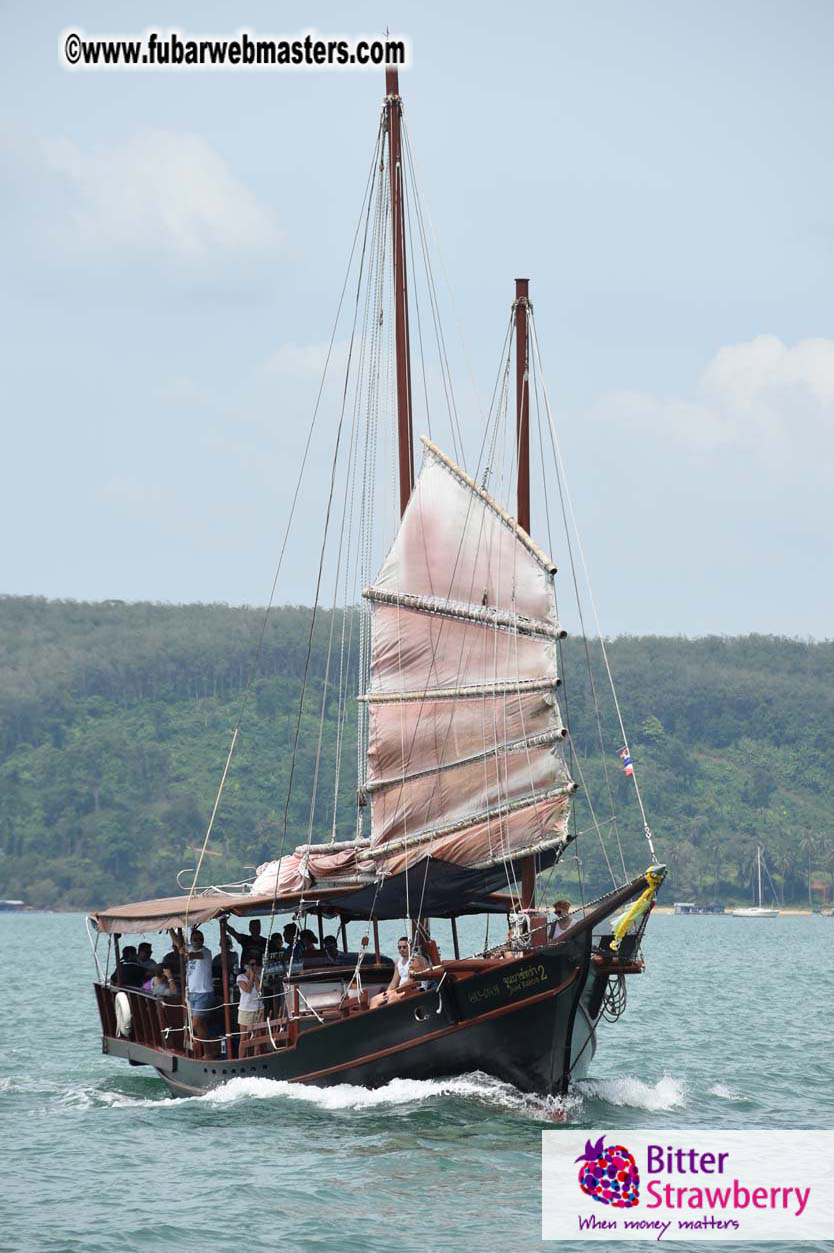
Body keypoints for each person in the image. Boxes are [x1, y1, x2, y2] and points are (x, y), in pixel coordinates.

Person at [169, 926, 216, 1054]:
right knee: (199, 1025)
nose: (198, 941)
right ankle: (202, 1051)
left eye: (200, 939)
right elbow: (178, 944)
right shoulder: (189, 948)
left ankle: (208, 1053)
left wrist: (182, 950)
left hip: (203, 993)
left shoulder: (206, 952)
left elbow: (187, 954)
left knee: (196, 1024)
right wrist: (170, 929)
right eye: (195, 939)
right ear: (191, 940)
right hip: (192, 993)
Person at [236, 957, 262, 1041]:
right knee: (243, 1037)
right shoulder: (241, 977)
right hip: (245, 1009)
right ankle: (242, 1054)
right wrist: (251, 976)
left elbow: (259, 990)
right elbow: (248, 990)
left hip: (258, 1008)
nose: (254, 967)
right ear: (247, 966)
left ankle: (256, 1053)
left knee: (257, 1035)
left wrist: (254, 977)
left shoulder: (257, 977)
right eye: (252, 965)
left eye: (256, 965)